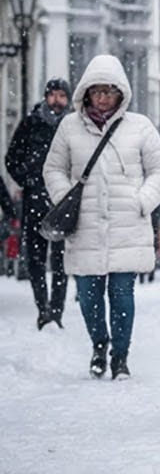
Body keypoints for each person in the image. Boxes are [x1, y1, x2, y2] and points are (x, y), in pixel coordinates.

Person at [44, 55, 160, 380]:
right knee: (88, 296)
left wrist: (142, 201)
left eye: (109, 91)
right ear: (86, 93)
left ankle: (121, 357)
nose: (103, 97)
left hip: (126, 226)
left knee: (121, 295)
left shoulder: (139, 126)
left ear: (121, 93)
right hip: (84, 227)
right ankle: (99, 344)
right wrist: (64, 199)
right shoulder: (69, 126)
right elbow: (54, 168)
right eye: (97, 90)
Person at [6, 77, 73, 329]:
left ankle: (56, 311)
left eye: (61, 96)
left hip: (62, 202)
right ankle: (42, 308)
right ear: (46, 97)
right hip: (35, 199)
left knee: (61, 260)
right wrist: (29, 180)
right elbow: (12, 158)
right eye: (53, 95)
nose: (57, 100)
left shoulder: (72, 126)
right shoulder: (31, 124)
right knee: (35, 258)